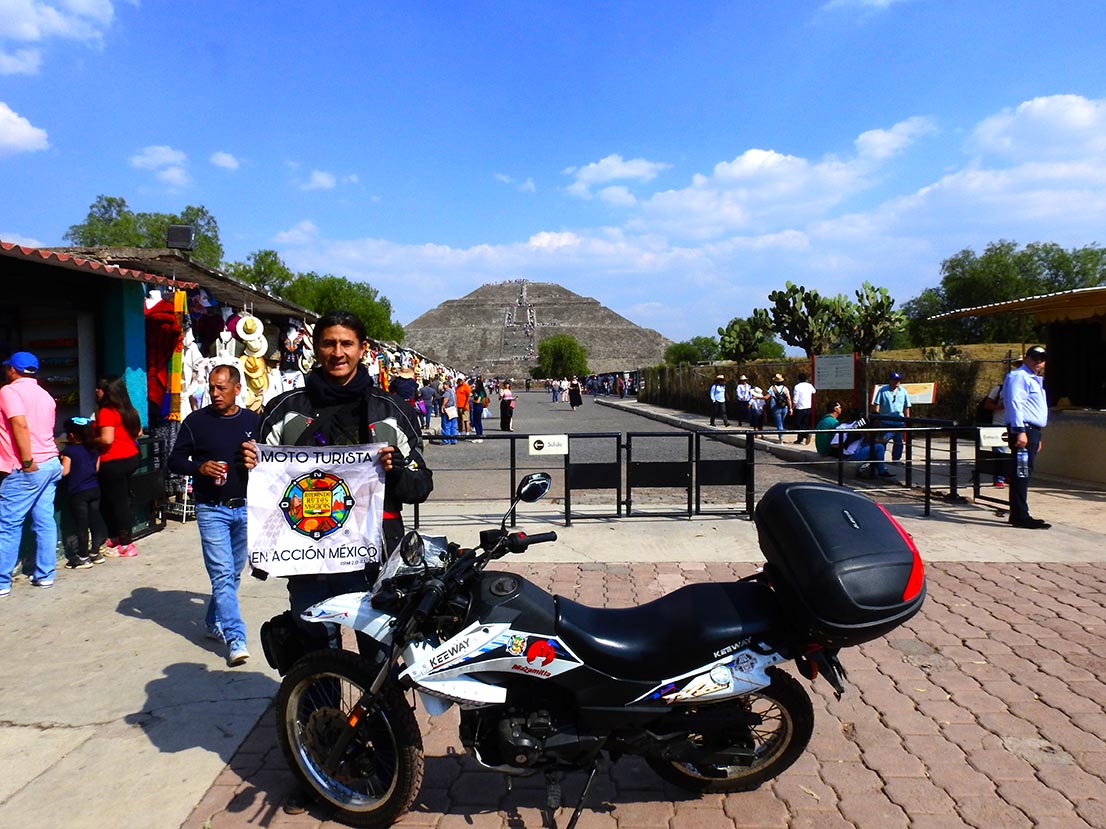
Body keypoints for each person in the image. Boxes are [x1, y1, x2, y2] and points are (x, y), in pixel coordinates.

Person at [242, 310, 433, 651]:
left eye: (347, 343)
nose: (338, 352)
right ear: (316, 349)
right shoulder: (284, 409)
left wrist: (398, 469)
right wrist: (249, 465)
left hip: (374, 556)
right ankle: (318, 703)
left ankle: (382, 706)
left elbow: (420, 487)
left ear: (363, 349)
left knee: (378, 653)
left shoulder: (393, 410)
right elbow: (262, 486)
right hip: (306, 558)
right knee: (315, 651)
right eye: (329, 343)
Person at [169, 365, 261, 666]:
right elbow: (175, 460)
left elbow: (273, 459)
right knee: (222, 575)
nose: (215, 393)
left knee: (232, 574)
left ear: (237, 389)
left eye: (221, 388)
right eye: (212, 387)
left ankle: (212, 621)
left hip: (246, 507)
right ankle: (235, 638)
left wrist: (257, 460)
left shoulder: (253, 421)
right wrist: (200, 467)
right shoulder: (197, 421)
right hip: (211, 509)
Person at [0, 352, 63, 596]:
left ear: (12, 370)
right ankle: (45, 575)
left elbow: (20, 423)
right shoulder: (45, 395)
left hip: (28, 466)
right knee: (45, 520)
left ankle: (2, 581)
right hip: (50, 463)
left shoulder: (9, 391)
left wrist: (26, 461)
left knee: (8, 525)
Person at [1002, 345, 1050, 529]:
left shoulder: (1034, 379)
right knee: (1021, 472)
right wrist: (1020, 430)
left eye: (1042, 358)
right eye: (1035, 357)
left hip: (1032, 430)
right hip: (1024, 429)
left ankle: (1020, 512)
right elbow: (1015, 403)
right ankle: (1020, 514)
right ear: (1027, 358)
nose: (1038, 362)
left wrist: (1037, 435)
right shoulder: (1019, 377)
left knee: (1024, 471)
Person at [94, 376, 142, 557]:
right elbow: (138, 432)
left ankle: (126, 543)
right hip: (131, 458)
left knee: (117, 502)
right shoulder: (130, 410)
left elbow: (107, 439)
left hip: (113, 461)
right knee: (116, 500)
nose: (96, 391)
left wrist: (89, 440)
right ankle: (116, 538)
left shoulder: (106, 411)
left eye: (99, 388)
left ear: (107, 392)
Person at [60, 416, 108, 569]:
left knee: (81, 525)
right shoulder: (94, 449)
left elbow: (64, 472)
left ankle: (83, 557)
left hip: (78, 492)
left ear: (72, 435)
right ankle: (95, 552)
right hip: (94, 489)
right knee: (94, 520)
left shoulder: (69, 451)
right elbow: (96, 469)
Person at [832, 412, 894, 479]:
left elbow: (869, 438)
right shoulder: (842, 427)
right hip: (850, 454)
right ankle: (882, 471)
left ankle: (876, 469)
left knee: (882, 440)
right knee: (879, 447)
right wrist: (848, 441)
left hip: (858, 449)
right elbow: (834, 445)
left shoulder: (858, 425)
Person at [874, 371, 911, 462]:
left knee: (898, 442)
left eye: (898, 380)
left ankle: (896, 459)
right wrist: (876, 416)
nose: (897, 382)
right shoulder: (883, 390)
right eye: (895, 380)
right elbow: (877, 403)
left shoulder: (903, 391)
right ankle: (880, 459)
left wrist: (907, 418)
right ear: (890, 380)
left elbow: (907, 406)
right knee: (884, 440)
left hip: (899, 422)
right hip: (886, 422)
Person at [767, 373, 793, 443]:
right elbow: (789, 399)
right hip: (784, 407)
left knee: (779, 423)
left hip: (775, 407)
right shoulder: (785, 388)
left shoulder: (772, 388)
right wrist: (791, 408)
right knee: (781, 422)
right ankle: (781, 436)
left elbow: (767, 397)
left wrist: (758, 397)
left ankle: (781, 439)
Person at [791, 373, 816, 445]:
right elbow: (814, 391)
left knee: (797, 423)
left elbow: (795, 398)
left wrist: (793, 407)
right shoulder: (809, 385)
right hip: (808, 406)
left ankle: (806, 435)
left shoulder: (797, 387)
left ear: (798, 379)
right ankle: (800, 439)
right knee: (804, 423)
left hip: (800, 407)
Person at [438, 378, 458, 444]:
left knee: (446, 425)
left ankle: (446, 440)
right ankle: (453, 439)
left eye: (444, 385)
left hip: (448, 409)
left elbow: (445, 399)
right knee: (453, 426)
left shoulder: (447, 392)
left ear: (447, 385)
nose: (443, 386)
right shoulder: (453, 391)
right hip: (453, 409)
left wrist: (442, 407)